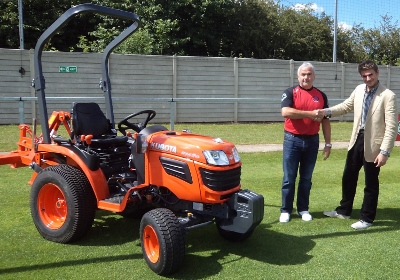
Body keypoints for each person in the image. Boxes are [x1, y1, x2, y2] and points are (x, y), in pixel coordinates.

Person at [321, 60, 398, 230]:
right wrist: (326, 112)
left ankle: (367, 218)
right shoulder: (359, 90)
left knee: (371, 183)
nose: (368, 78)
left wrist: (385, 151)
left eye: (370, 74)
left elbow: (392, 126)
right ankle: (344, 211)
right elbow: (346, 106)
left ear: (377, 73)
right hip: (357, 139)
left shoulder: (388, 95)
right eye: (364, 75)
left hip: (374, 144)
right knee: (348, 176)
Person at [279, 62, 332, 223]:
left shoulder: (321, 96)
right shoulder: (290, 92)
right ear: (298, 76)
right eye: (303, 74)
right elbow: (285, 112)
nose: (306, 77)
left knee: (306, 178)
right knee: (289, 177)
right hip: (292, 140)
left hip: (312, 141)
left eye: (309, 74)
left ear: (314, 76)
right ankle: (286, 210)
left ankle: (303, 209)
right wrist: (309, 114)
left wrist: (328, 143)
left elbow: (325, 120)